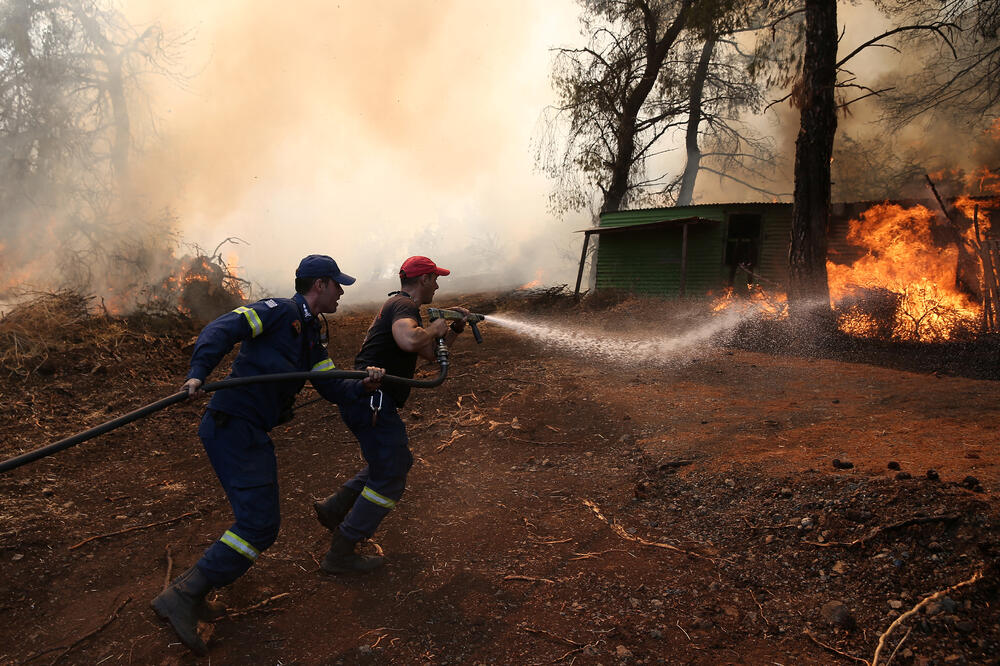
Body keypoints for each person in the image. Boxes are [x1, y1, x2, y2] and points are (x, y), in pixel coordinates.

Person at [151, 254, 385, 655]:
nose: (342, 292)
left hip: (248, 430)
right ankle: (184, 594)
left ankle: (193, 588)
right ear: (319, 285)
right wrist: (198, 373)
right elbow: (222, 329)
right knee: (259, 524)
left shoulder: (312, 337)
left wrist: (362, 386)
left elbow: (329, 385)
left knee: (259, 523)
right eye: (337, 284)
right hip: (232, 425)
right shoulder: (277, 311)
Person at [313, 255, 469, 573]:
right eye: (435, 279)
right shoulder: (404, 306)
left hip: (369, 400)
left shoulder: (398, 306)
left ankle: (335, 508)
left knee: (391, 462)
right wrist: (435, 326)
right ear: (423, 280)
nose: (438, 285)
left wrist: (452, 330)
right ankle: (342, 550)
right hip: (372, 399)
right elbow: (410, 338)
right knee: (391, 475)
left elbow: (428, 354)